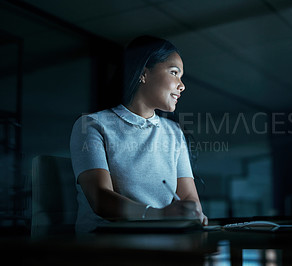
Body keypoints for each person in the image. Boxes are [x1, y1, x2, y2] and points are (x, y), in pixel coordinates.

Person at [70, 35, 207, 233]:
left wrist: (191, 212)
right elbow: (100, 198)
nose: (182, 85)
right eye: (174, 73)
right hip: (107, 243)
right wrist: (159, 215)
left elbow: (189, 198)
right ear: (144, 74)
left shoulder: (174, 132)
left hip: (163, 239)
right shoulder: (92, 125)